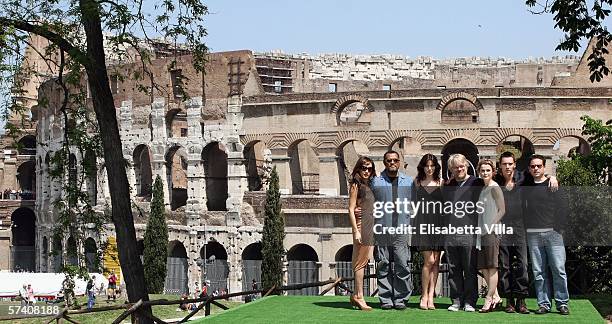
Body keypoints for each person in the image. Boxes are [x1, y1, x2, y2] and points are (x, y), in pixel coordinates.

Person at [524, 154, 569, 315]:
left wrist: (558, 229)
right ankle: (543, 303)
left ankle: (562, 303)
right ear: (529, 168)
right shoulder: (526, 185)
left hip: (553, 233)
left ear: (544, 167)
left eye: (539, 166)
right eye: (533, 166)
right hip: (533, 234)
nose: (536, 168)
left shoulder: (553, 184)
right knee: (538, 272)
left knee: (558, 269)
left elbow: (563, 207)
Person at [370, 150, 414, 310]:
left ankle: (401, 299)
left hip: (401, 229)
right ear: (384, 162)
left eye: (395, 160)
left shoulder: (408, 181)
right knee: (383, 264)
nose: (392, 163)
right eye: (389, 160)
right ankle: (386, 298)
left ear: (399, 162)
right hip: (382, 229)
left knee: (402, 264)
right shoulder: (376, 182)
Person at [443, 153, 483, 312]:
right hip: (450, 232)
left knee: (470, 268)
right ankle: (456, 300)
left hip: (469, 232)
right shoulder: (448, 185)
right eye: (455, 167)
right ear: (451, 169)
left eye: (461, 166)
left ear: (466, 166)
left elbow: (497, 180)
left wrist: (550, 176)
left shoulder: (476, 183)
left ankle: (470, 301)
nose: (459, 169)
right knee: (453, 268)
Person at [412, 154, 444, 310]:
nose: (429, 168)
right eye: (427, 165)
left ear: (436, 167)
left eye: (432, 165)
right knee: (429, 261)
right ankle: (423, 295)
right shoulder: (417, 183)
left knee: (436, 262)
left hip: (439, 225)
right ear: (422, 167)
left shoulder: (442, 183)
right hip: (422, 224)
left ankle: (431, 296)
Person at [475, 159, 505, 313]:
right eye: (482, 170)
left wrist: (491, 225)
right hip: (481, 232)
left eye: (488, 170)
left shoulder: (494, 187)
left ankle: (488, 299)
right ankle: (496, 296)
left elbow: (502, 210)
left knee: (492, 266)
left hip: (491, 232)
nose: (485, 173)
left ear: (493, 171)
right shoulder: (484, 188)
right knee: (484, 266)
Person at [347, 156, 377, 311]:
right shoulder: (355, 185)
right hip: (361, 226)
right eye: (364, 168)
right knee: (360, 262)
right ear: (358, 168)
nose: (367, 171)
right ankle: (359, 295)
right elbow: (351, 209)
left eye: (370, 169)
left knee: (364, 260)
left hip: (369, 224)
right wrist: (356, 231)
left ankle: (355, 294)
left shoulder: (368, 185)